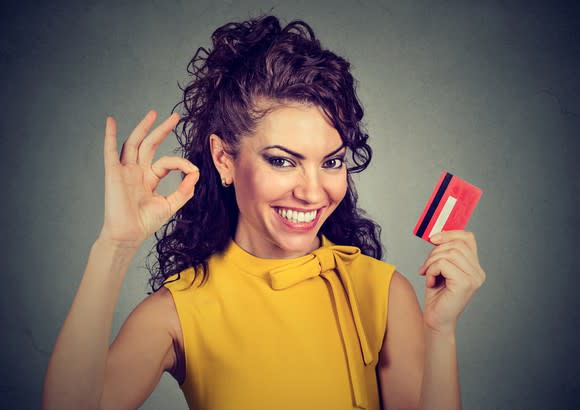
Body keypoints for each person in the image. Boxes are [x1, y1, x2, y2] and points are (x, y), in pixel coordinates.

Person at [41, 14, 486, 410]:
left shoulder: (384, 292)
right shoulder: (178, 311)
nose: (313, 193)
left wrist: (441, 332)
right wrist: (114, 247)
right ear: (224, 159)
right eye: (282, 160)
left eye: (330, 162)